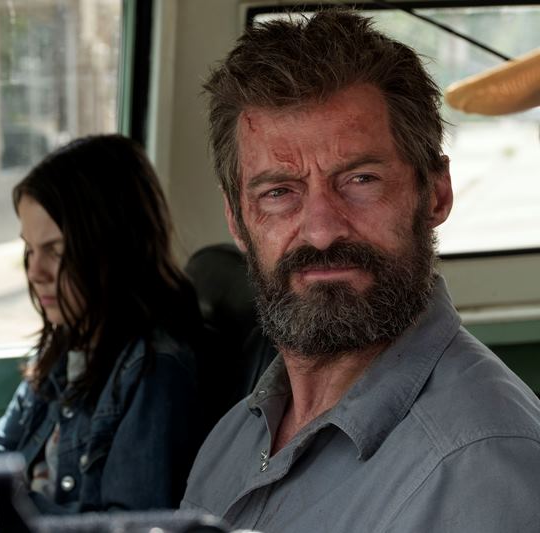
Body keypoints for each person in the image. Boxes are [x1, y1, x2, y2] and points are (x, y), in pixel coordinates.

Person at [180, 9, 540, 532]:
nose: (322, 231)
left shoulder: (478, 468)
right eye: (279, 192)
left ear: (436, 194)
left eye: (361, 180)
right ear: (237, 219)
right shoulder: (237, 434)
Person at [0, 134, 203, 514]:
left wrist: (3, 505)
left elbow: (128, 524)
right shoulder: (67, 341)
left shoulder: (153, 371)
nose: (34, 272)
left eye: (56, 251)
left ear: (112, 248)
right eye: (29, 249)